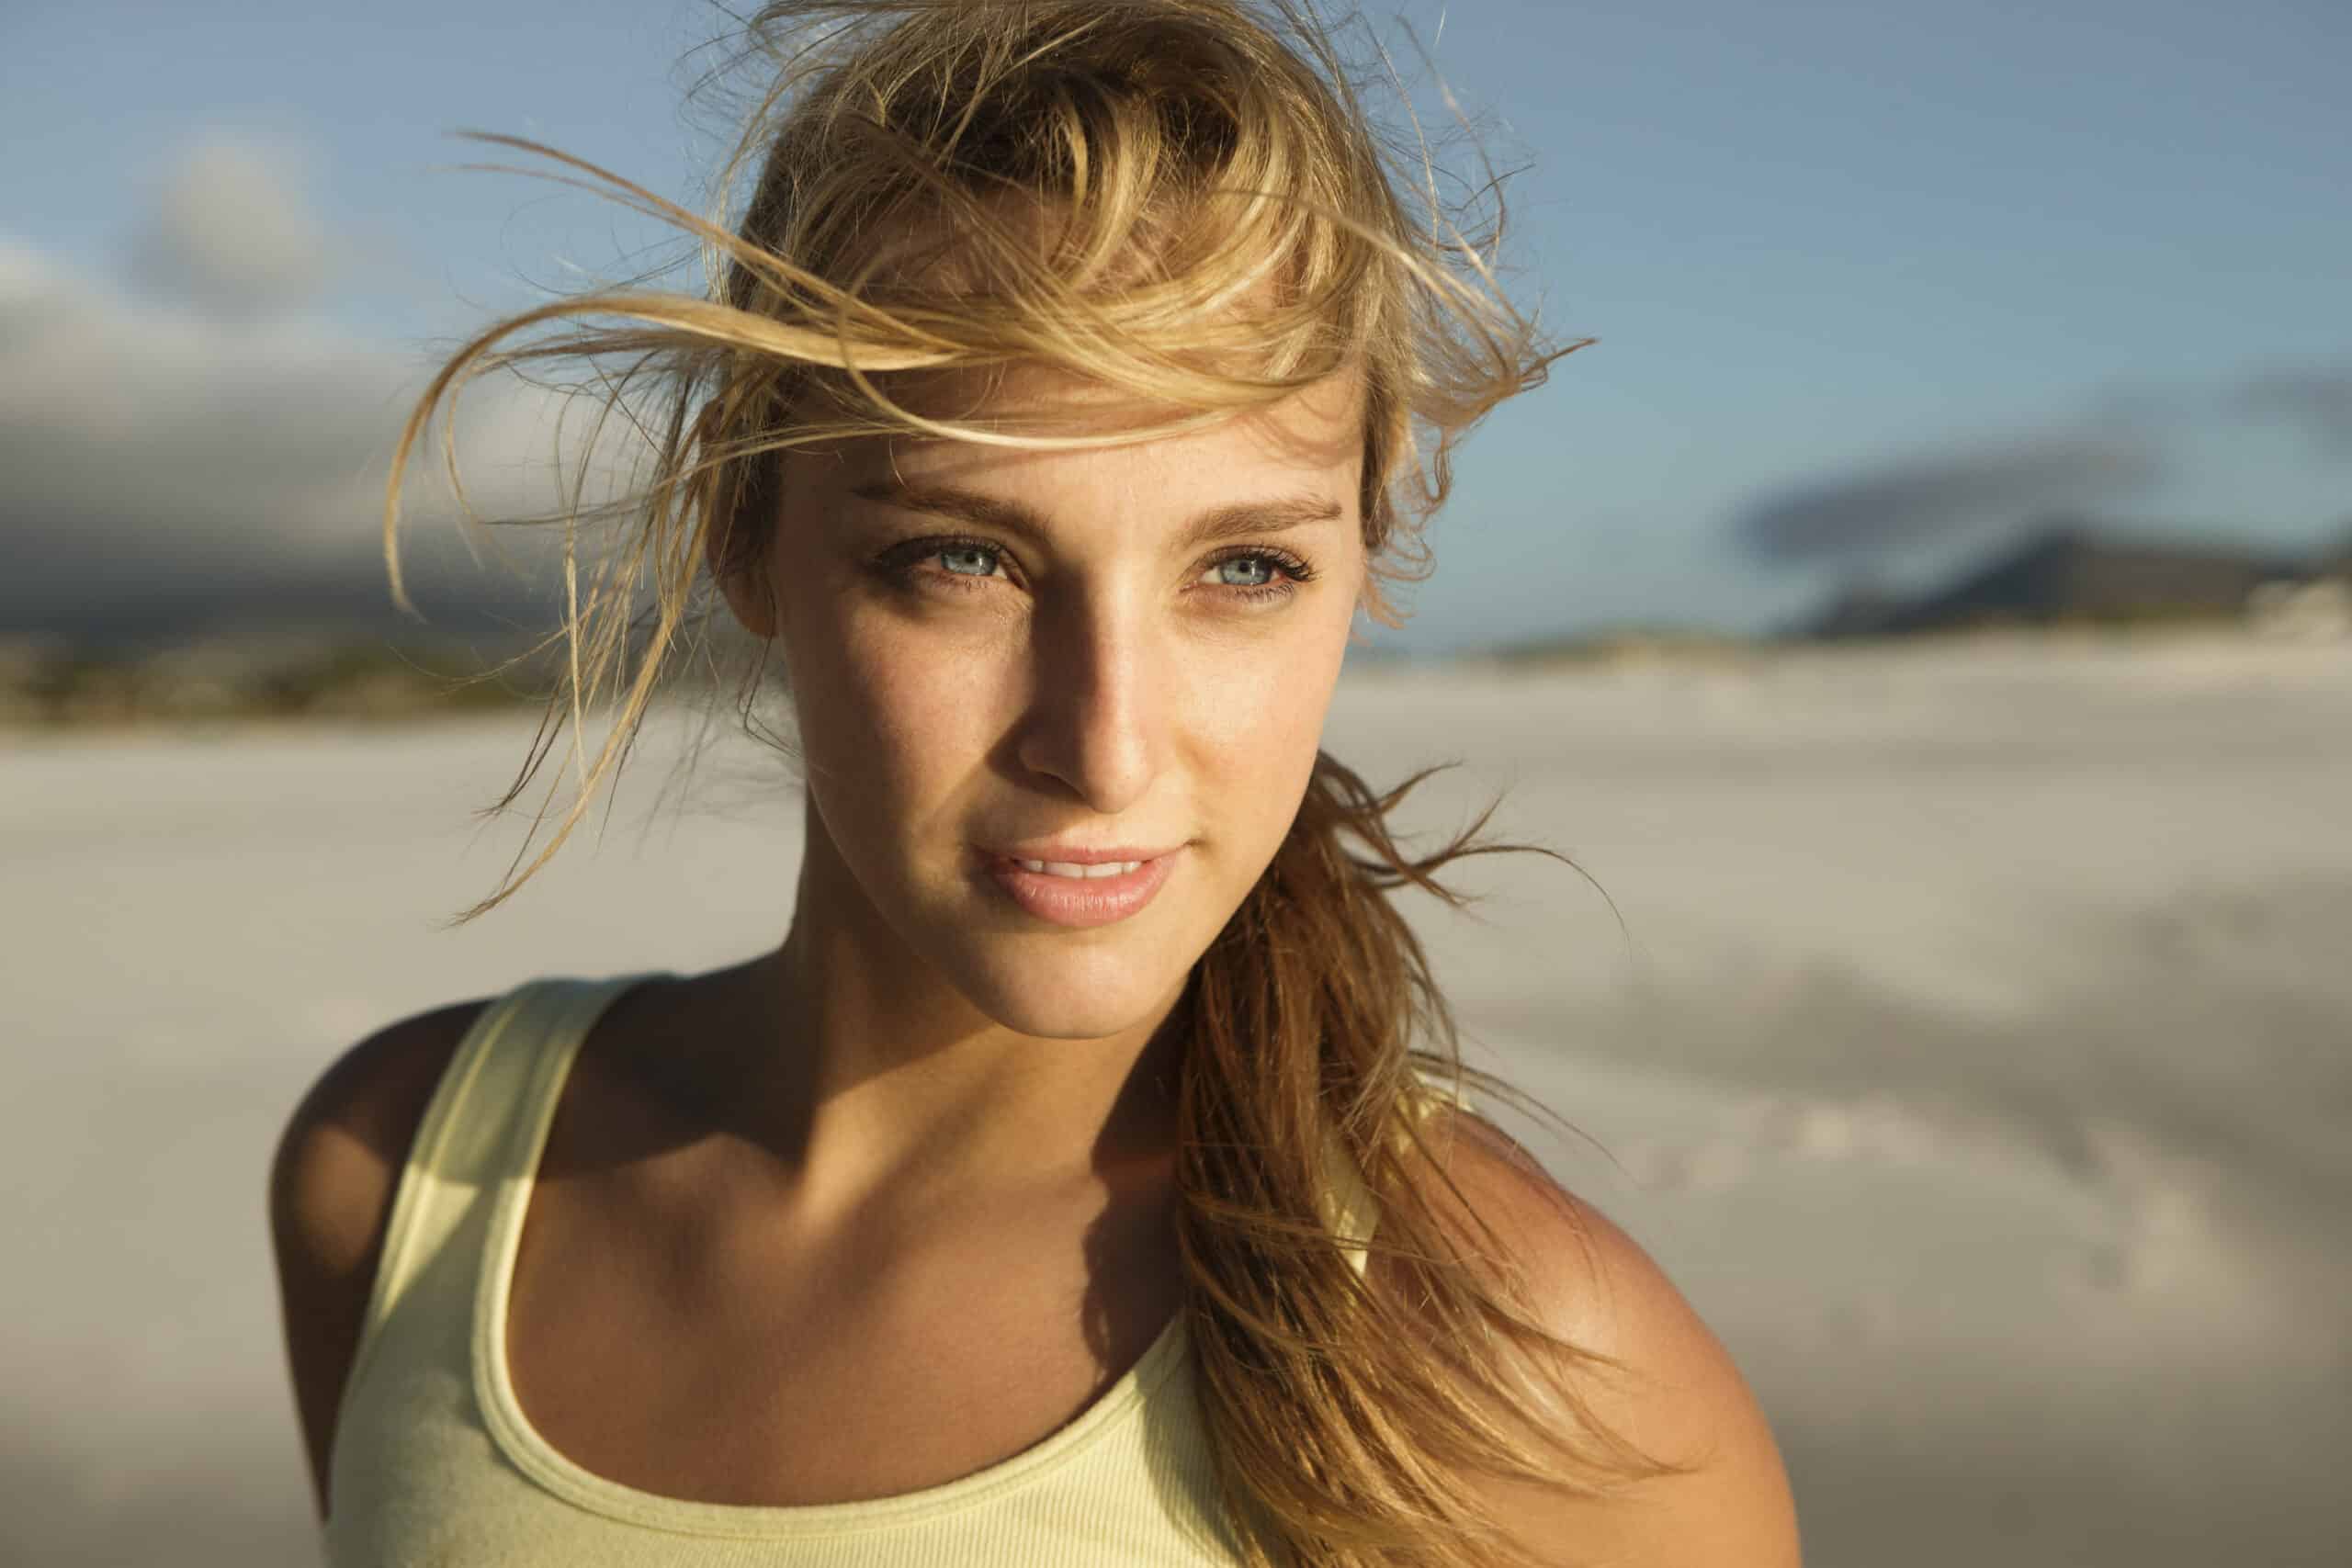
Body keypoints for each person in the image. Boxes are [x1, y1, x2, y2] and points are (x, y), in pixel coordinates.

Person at [268, 3, 1801, 1563]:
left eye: (1247, 566)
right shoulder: (404, 1182)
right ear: (742, 528)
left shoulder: (1515, 1368)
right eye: (964, 558)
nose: (1107, 743)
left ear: (1364, 558)